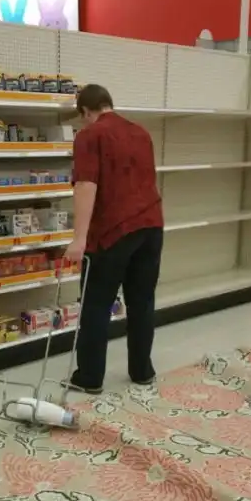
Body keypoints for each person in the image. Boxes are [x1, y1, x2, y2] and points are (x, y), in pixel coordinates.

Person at [63, 83, 164, 395]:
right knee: (142, 302)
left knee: (96, 304)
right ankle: (142, 371)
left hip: (112, 232)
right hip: (151, 226)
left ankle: (89, 377)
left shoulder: (89, 135)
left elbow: (86, 186)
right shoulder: (141, 132)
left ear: (85, 111)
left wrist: (79, 238)